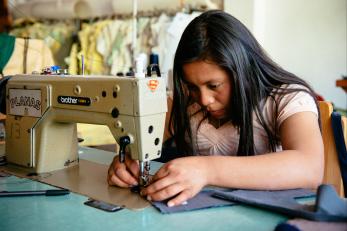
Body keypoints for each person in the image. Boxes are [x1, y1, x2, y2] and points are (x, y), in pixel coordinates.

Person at [107, 10, 324, 207]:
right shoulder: (184, 102)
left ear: (242, 70)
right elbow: (142, 143)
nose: (204, 99)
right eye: (192, 86)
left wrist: (206, 169)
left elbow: (310, 167)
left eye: (214, 86)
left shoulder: (286, 99)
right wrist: (127, 162)